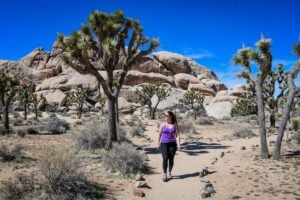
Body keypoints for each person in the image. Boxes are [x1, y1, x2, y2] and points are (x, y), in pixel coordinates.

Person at [157, 110, 181, 182]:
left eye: (166, 115)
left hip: (172, 144)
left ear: (170, 116)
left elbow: (177, 135)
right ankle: (164, 174)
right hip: (164, 144)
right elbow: (159, 134)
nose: (164, 116)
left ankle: (169, 173)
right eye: (164, 115)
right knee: (165, 158)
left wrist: (178, 144)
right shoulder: (162, 124)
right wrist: (158, 143)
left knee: (171, 159)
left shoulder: (174, 125)